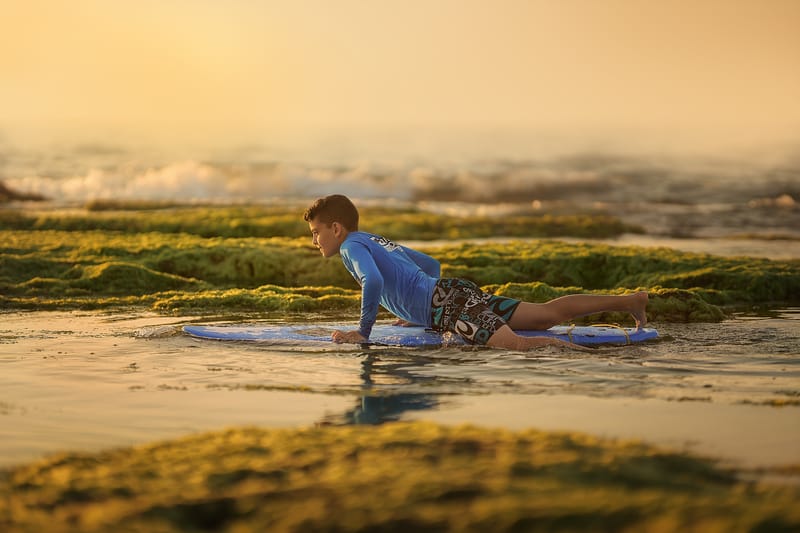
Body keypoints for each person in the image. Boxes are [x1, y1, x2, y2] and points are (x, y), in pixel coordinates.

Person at [303, 194, 648, 350]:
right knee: (547, 315)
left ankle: (601, 357)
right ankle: (630, 301)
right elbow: (430, 265)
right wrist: (415, 311)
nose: (314, 240)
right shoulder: (371, 239)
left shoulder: (350, 247)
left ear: (336, 228)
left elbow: (374, 280)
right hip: (454, 294)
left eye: (316, 232)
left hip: (448, 307)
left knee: (515, 345)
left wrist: (362, 332)